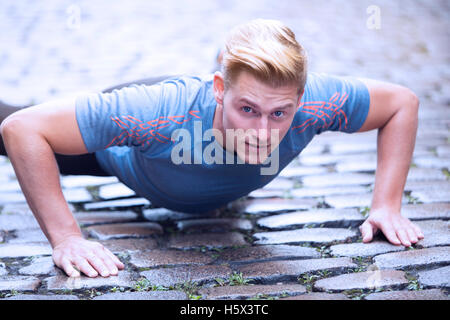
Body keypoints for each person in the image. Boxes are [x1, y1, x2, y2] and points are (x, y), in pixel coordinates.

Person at [0, 19, 424, 278]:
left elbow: (401, 103)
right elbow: (21, 129)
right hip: (124, 155)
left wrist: (387, 206)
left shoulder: (318, 101)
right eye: (248, 109)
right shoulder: (155, 112)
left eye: (280, 114)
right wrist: (67, 239)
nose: (262, 132)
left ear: (301, 96)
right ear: (220, 90)